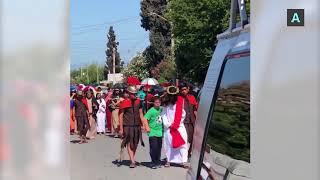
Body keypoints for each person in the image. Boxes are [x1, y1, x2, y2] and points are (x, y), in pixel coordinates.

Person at [119, 85, 146, 168]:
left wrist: (144, 125)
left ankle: (132, 157)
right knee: (130, 143)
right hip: (127, 126)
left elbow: (141, 114)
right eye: (132, 93)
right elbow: (121, 115)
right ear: (129, 93)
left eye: (135, 93)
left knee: (135, 143)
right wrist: (121, 129)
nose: (134, 95)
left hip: (137, 126)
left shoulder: (139, 102)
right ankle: (132, 160)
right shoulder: (124, 102)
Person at [161, 86, 189, 168]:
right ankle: (169, 160)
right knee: (168, 144)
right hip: (169, 127)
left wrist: (177, 124)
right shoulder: (166, 103)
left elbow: (183, 114)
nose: (172, 97)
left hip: (179, 126)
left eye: (174, 95)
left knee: (183, 143)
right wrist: (169, 124)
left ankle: (183, 161)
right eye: (171, 95)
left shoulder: (180, 101)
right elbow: (163, 115)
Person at [179, 82, 198, 159]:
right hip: (183, 122)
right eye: (182, 90)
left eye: (185, 89)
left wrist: (198, 121)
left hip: (192, 121)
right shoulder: (179, 99)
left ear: (188, 89)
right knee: (184, 139)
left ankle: (188, 153)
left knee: (192, 138)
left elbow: (195, 110)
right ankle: (183, 155)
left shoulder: (192, 97)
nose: (184, 91)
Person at [143, 96, 163, 169]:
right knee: (153, 147)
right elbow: (145, 119)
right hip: (153, 131)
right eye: (156, 102)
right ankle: (153, 162)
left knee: (159, 148)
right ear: (153, 103)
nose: (158, 104)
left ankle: (158, 161)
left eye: (159, 102)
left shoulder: (161, 109)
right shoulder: (151, 110)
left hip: (160, 132)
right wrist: (147, 127)